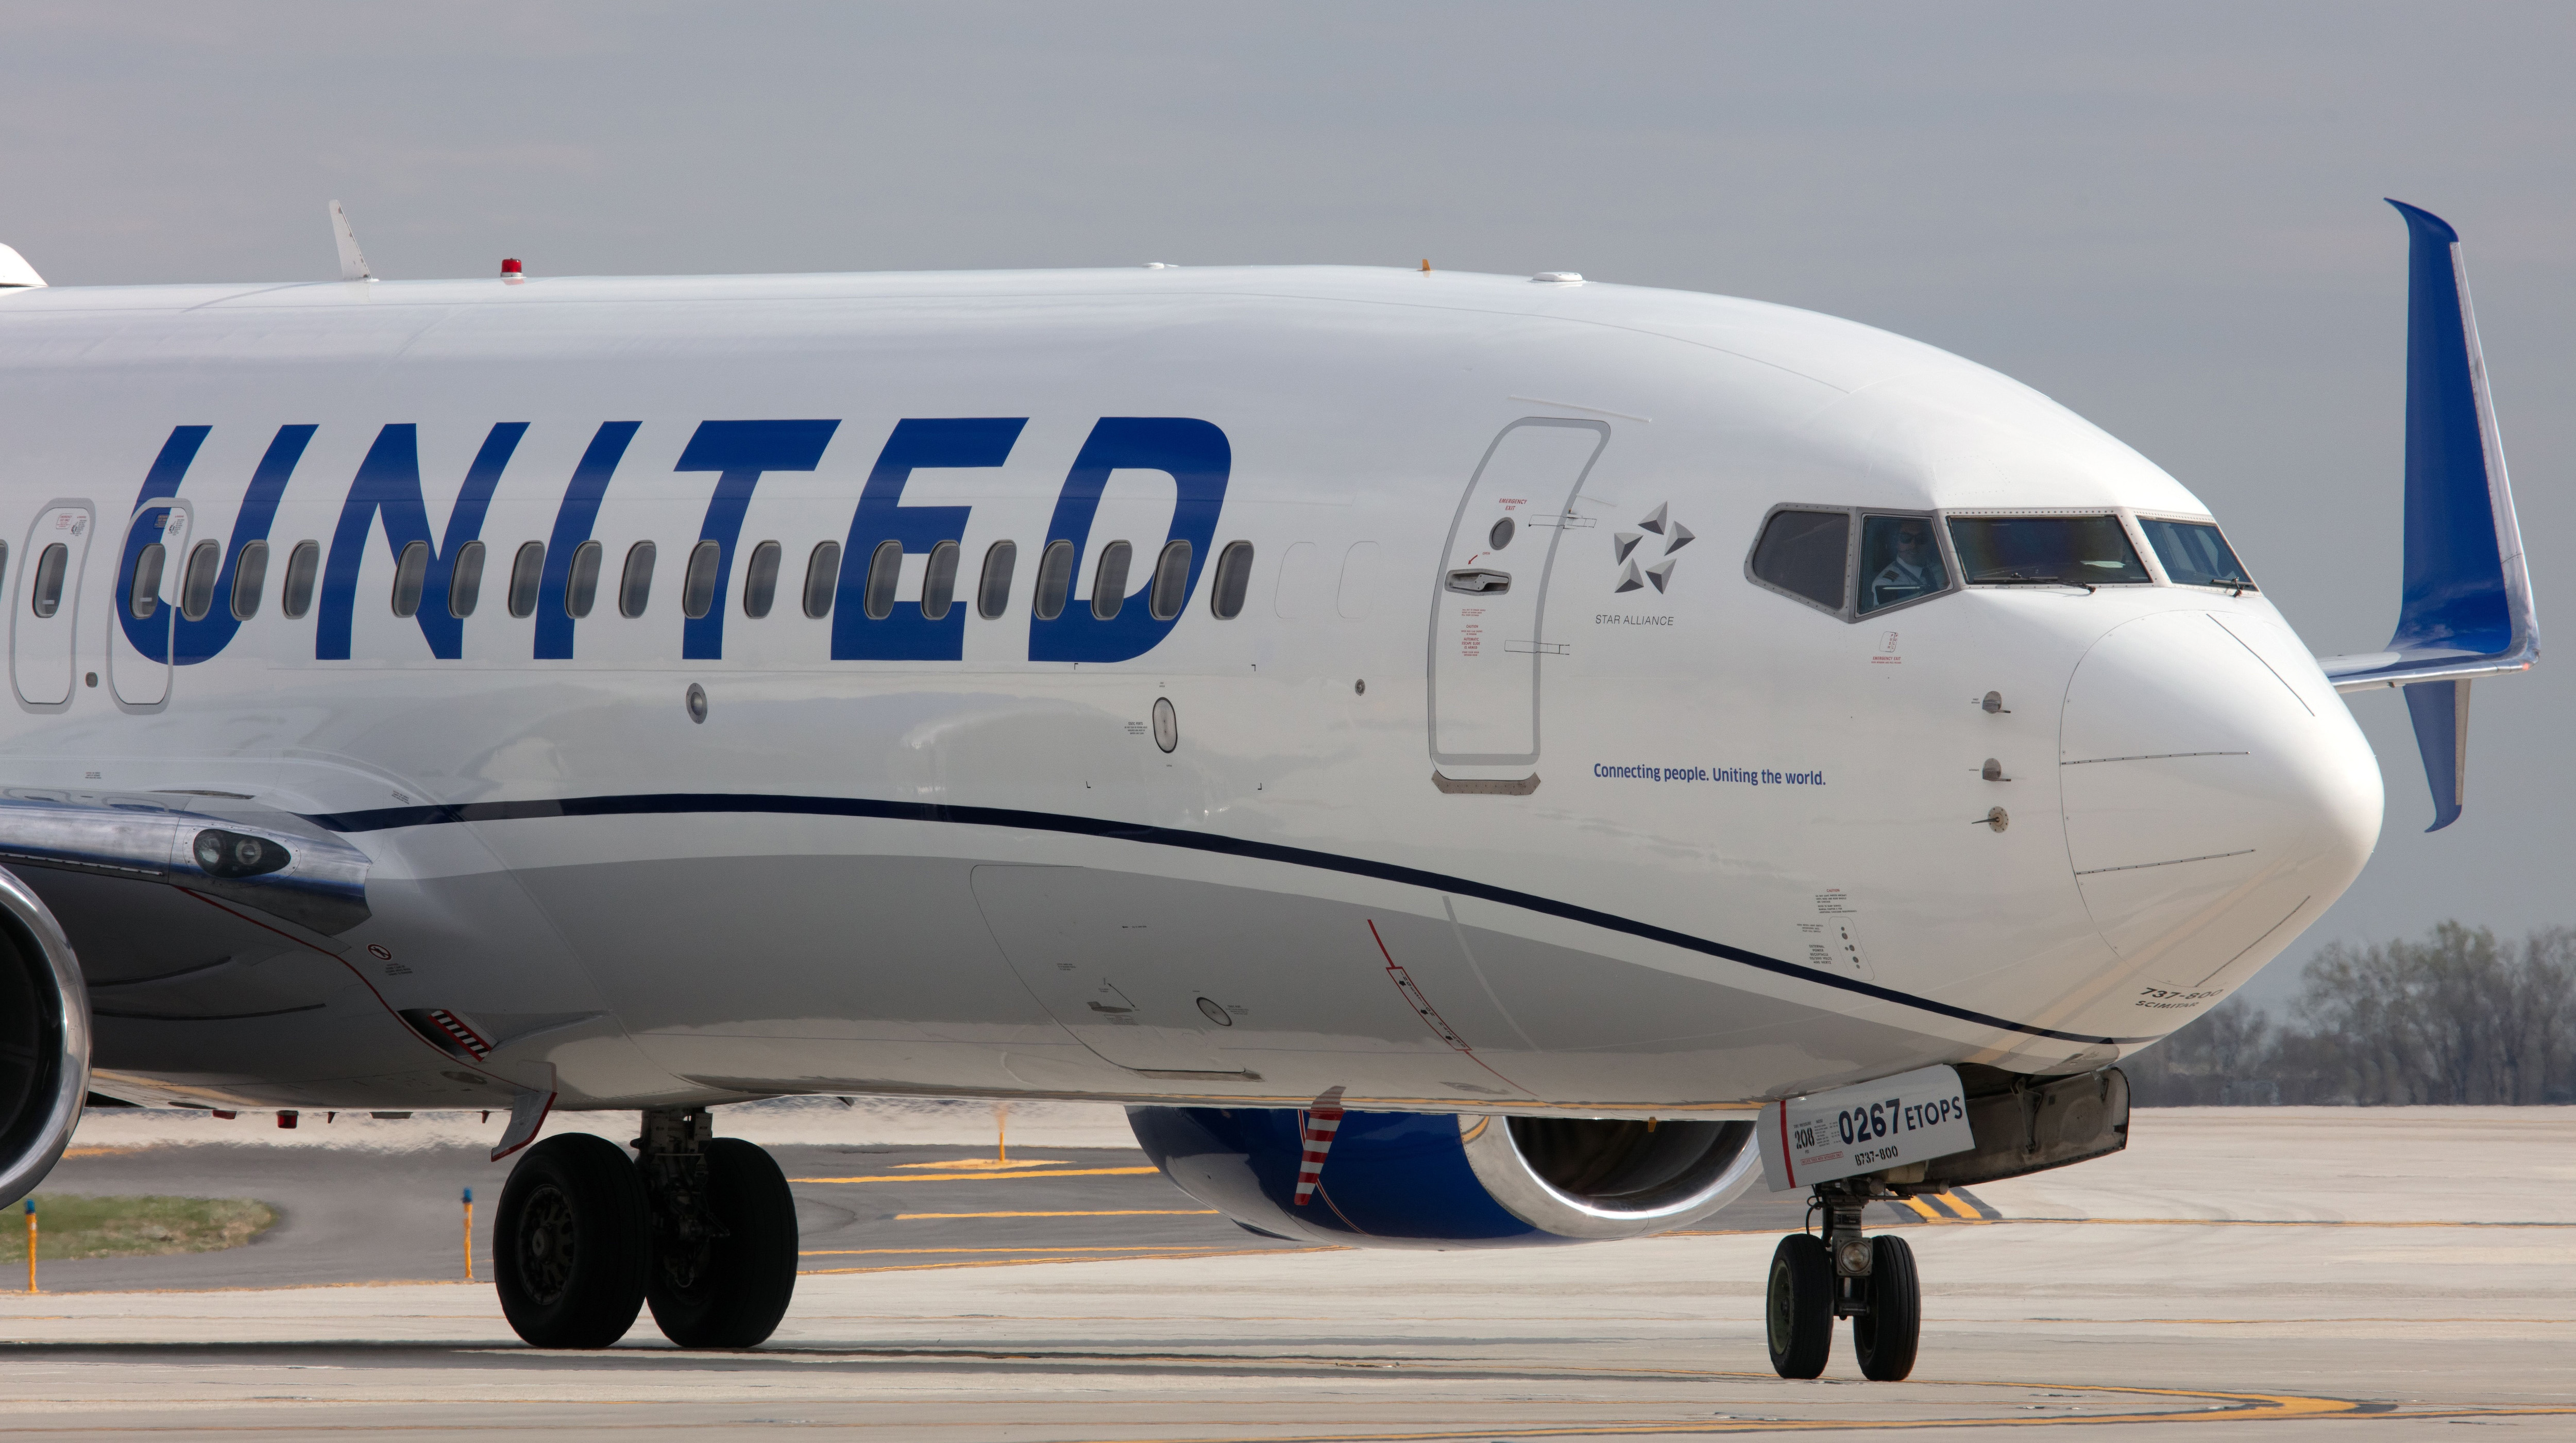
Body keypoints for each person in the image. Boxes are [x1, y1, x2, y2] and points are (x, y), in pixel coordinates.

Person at [1868, 521, 1943, 611]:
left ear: (1929, 542)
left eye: (1921, 538)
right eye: (1906, 538)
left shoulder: (1943, 571)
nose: (1913, 546)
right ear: (1896, 543)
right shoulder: (1885, 584)